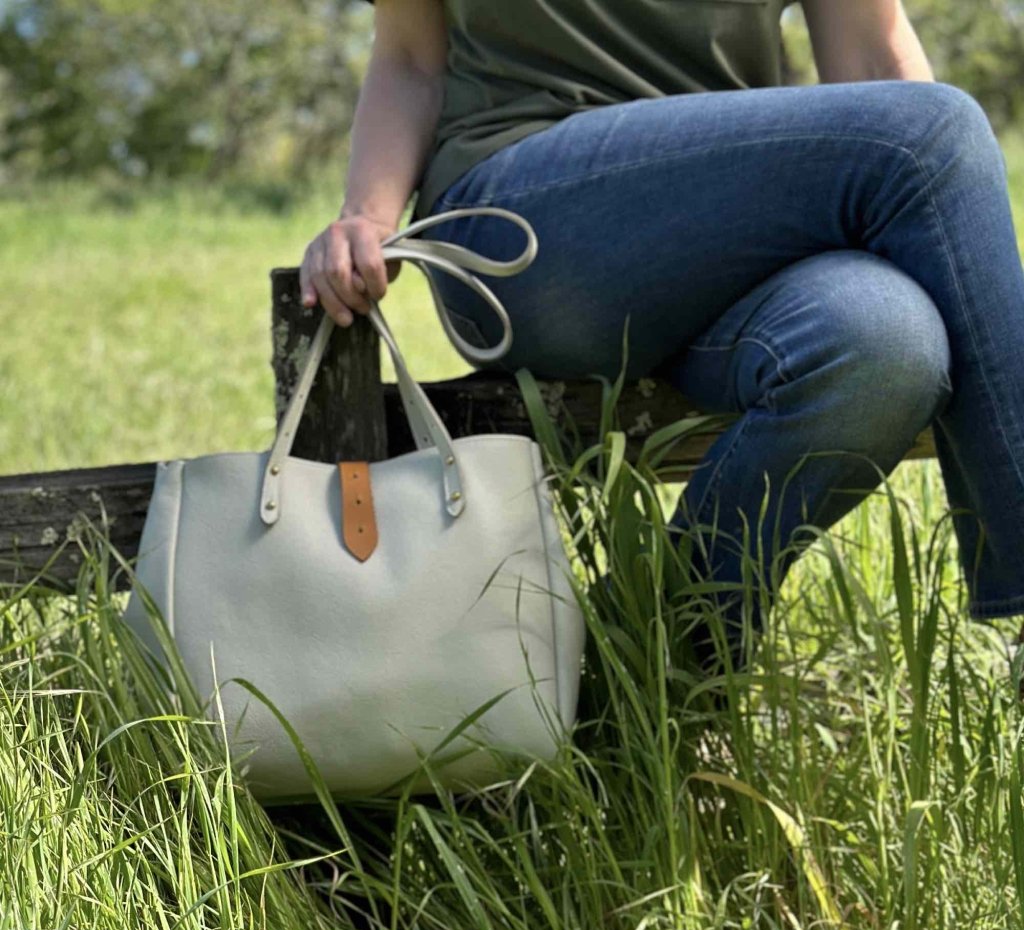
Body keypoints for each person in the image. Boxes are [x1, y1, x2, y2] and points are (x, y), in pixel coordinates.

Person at [299, 0, 1024, 674]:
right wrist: (366, 214)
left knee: (886, 343)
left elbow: (874, 59)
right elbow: (411, 58)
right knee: (937, 129)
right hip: (526, 223)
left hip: (746, 239)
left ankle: (637, 673)